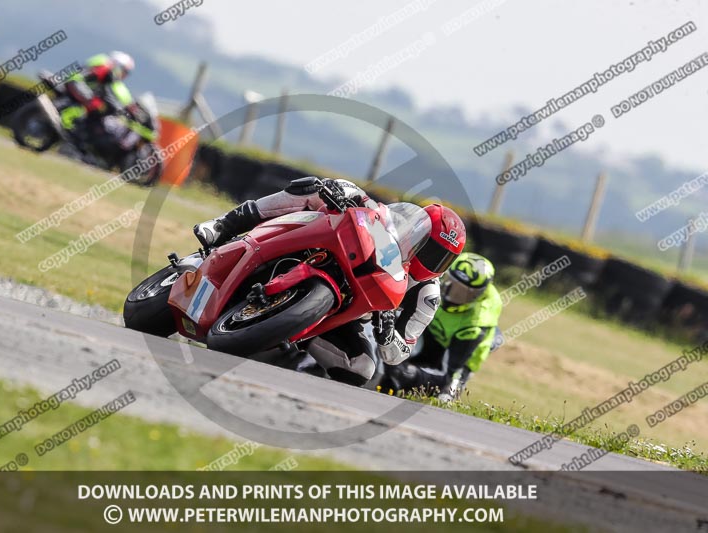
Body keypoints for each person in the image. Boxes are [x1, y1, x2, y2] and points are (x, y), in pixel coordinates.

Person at [194, 176, 466, 386]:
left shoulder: (426, 296)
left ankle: (288, 346)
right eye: (428, 247)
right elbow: (359, 198)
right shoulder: (386, 221)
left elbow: (399, 352)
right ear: (416, 229)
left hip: (339, 317)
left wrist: (386, 334)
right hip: (320, 245)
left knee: (362, 368)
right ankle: (223, 225)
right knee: (314, 187)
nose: (428, 259)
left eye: (440, 258)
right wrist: (341, 192)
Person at [378, 252, 503, 401]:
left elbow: (448, 373)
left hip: (454, 354)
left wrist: (411, 374)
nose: (449, 293)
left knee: (445, 394)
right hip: (434, 333)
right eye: (449, 282)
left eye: (460, 293)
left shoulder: (476, 323)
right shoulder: (438, 288)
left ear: (476, 296)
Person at [62, 51, 149, 157]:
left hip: (81, 86)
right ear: (118, 65)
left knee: (99, 108)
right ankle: (69, 128)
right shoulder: (105, 66)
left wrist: (117, 106)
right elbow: (105, 87)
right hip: (77, 83)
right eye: (125, 71)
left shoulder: (108, 71)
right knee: (95, 105)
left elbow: (107, 91)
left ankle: (80, 137)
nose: (124, 75)